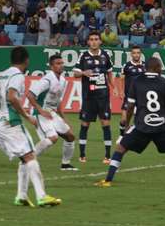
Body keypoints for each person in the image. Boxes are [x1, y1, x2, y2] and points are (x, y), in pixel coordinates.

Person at [0, 46, 61, 207]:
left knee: (25, 157)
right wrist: (27, 116)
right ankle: (42, 196)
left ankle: (21, 196)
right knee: (30, 156)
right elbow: (12, 97)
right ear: (26, 60)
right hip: (9, 124)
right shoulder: (17, 76)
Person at [96, 57, 165, 188]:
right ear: (156, 68)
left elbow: (130, 106)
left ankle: (108, 180)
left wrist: (127, 124)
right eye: (160, 67)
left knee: (121, 148)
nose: (161, 69)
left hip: (141, 126)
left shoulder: (137, 81)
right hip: (161, 125)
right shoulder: (164, 82)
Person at [73, 31, 119, 164]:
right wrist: (83, 72)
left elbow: (110, 73)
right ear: (88, 42)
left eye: (96, 39)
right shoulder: (83, 55)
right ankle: (82, 154)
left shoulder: (105, 55)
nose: (93, 41)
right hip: (89, 96)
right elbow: (75, 73)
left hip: (103, 96)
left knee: (105, 123)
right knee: (85, 124)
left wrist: (113, 87)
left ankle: (107, 156)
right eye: (91, 39)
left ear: (100, 41)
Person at [26, 54, 77, 171]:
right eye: (57, 64)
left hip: (52, 113)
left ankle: (65, 164)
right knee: (53, 138)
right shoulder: (47, 80)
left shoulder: (63, 81)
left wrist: (63, 117)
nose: (61, 66)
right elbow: (30, 95)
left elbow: (57, 101)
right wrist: (40, 110)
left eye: (62, 63)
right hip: (39, 113)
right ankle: (28, 159)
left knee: (70, 136)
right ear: (51, 66)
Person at [119, 45, 146, 137]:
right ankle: (122, 135)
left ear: (140, 54)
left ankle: (137, 136)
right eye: (134, 53)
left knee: (141, 119)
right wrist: (121, 91)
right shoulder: (126, 66)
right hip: (129, 96)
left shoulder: (145, 65)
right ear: (131, 54)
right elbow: (122, 79)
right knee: (123, 119)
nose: (136, 55)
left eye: (138, 53)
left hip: (141, 97)